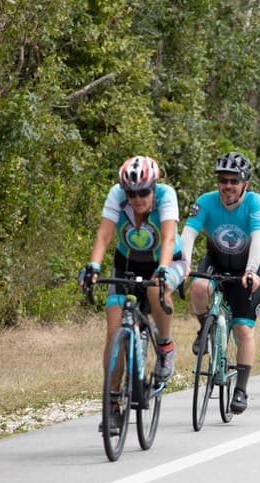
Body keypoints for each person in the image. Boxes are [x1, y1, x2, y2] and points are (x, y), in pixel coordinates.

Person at [78, 155, 186, 431]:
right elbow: (104, 235)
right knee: (114, 332)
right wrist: (93, 266)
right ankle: (112, 404)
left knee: (155, 289)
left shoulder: (166, 195)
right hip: (127, 262)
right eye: (131, 193)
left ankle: (164, 345)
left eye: (143, 192)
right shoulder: (117, 195)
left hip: (168, 259)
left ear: (153, 187)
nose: (137, 199)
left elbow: (170, 237)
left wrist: (162, 268)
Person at [179, 152, 260, 414]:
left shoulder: (255, 203)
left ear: (245, 184)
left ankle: (240, 389)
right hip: (216, 261)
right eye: (222, 180)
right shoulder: (206, 201)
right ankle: (204, 329)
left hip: (245, 268)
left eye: (233, 181)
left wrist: (252, 270)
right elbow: (189, 233)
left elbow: (259, 238)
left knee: (243, 330)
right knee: (198, 285)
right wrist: (181, 265)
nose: (227, 186)